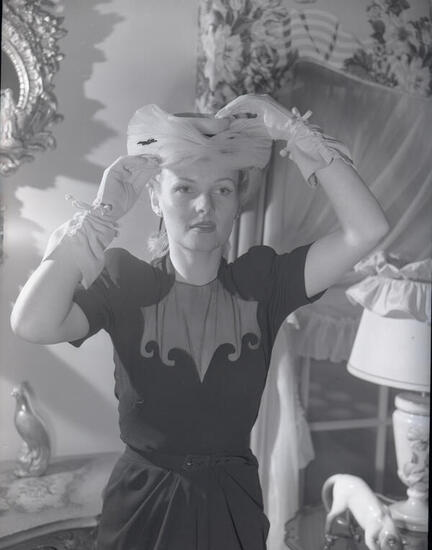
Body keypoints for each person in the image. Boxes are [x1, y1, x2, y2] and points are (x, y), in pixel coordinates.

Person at [10, 94, 390, 550]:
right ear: (155, 197)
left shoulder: (263, 283)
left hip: (230, 508)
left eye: (222, 190)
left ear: (238, 201)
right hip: (141, 509)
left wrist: (296, 133)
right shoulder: (124, 281)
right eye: (184, 188)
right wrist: (99, 216)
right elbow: (32, 323)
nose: (204, 205)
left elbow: (367, 230)